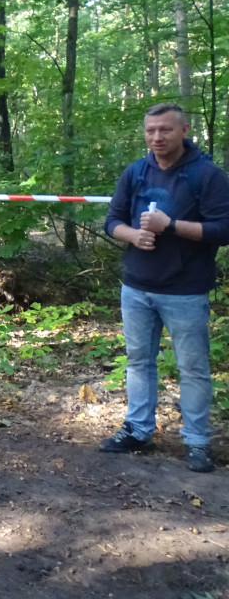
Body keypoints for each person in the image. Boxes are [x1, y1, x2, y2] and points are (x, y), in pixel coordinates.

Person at [100, 102, 229, 473]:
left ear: (184, 130)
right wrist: (133, 235)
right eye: (150, 131)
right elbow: (113, 220)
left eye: (165, 130)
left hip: (186, 289)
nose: (156, 137)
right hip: (136, 286)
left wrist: (169, 226)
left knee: (193, 368)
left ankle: (198, 441)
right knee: (139, 362)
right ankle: (138, 430)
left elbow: (223, 230)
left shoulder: (207, 175)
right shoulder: (136, 172)